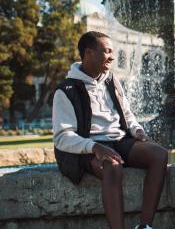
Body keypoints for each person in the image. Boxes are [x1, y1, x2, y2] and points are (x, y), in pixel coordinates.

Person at [52, 31, 168, 229]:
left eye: (113, 51)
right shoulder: (66, 90)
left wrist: (136, 129)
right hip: (88, 147)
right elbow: (62, 137)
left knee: (159, 154)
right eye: (107, 52)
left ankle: (145, 225)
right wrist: (95, 146)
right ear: (88, 53)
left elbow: (128, 115)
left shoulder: (112, 81)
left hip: (119, 141)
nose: (112, 57)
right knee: (112, 167)